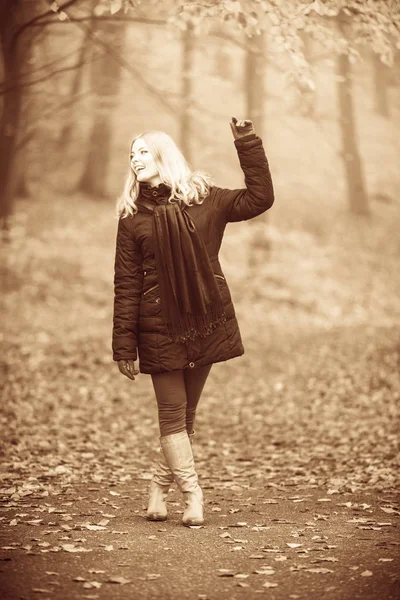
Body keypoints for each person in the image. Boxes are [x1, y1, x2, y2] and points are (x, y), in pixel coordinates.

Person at [112, 117, 274, 527]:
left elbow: (260, 198)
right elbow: (126, 282)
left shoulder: (207, 200)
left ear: (164, 154)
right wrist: (123, 344)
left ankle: (156, 488)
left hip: (202, 322)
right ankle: (193, 495)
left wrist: (248, 144)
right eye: (131, 155)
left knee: (185, 418)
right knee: (172, 413)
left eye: (143, 152)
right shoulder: (132, 216)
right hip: (157, 327)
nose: (135, 160)